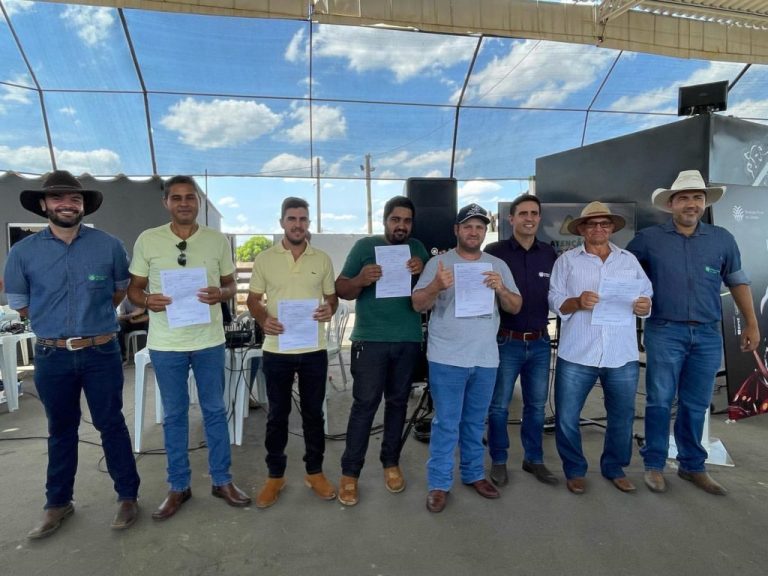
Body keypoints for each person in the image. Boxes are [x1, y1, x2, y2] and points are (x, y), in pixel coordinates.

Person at [3, 170, 141, 538]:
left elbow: (118, 293)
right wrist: (55, 325)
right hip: (52, 356)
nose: (67, 204)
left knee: (111, 424)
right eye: (59, 199)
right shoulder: (22, 252)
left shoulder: (108, 245)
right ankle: (58, 503)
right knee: (59, 430)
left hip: (101, 352)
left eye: (74, 199)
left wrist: (90, 323)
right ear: (44, 205)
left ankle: (127, 496)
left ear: (83, 205)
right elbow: (20, 303)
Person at [626, 170, 759, 495]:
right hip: (664, 330)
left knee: (696, 403)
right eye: (684, 198)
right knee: (659, 400)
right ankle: (654, 465)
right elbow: (623, 273)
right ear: (671, 204)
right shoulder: (648, 238)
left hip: (707, 334)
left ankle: (692, 466)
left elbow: (737, 281)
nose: (691, 204)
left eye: (697, 198)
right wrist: (634, 303)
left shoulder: (722, 238)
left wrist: (752, 323)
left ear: (704, 203)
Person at [127, 175, 251, 521]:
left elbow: (230, 285)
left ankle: (222, 480)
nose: (184, 203)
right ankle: (178, 485)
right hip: (167, 344)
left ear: (198, 203)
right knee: (175, 414)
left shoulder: (216, 241)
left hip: (209, 341)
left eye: (191, 197)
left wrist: (221, 294)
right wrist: (149, 300)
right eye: (177, 197)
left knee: (214, 410)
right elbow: (134, 290)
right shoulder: (148, 240)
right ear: (166, 202)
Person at [412, 203, 522, 513]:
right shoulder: (439, 263)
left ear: (485, 231)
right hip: (447, 357)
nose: (474, 232)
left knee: (475, 422)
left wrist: (501, 290)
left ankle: (474, 474)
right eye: (468, 226)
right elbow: (418, 304)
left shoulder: (497, 265)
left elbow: (515, 306)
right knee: (447, 423)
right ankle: (439, 483)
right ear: (457, 230)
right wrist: (436, 285)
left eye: (479, 227)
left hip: (485, 358)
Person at [548, 201, 652, 495]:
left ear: (611, 228)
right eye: (591, 224)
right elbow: (555, 300)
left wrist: (645, 306)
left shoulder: (629, 261)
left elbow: (646, 297)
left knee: (622, 415)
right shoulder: (566, 261)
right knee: (568, 416)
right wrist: (577, 302)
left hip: (621, 353)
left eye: (604, 224)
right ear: (581, 229)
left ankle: (615, 468)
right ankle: (574, 469)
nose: (598, 229)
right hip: (577, 352)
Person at [335, 195, 429, 506]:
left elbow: (428, 291)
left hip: (407, 340)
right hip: (370, 341)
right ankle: (350, 473)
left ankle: (391, 463)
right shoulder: (365, 247)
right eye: (395, 219)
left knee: (398, 403)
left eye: (406, 221)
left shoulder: (417, 249)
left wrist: (422, 269)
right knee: (364, 406)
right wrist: (361, 279)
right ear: (385, 220)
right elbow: (341, 288)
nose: (401, 225)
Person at [247, 197, 338, 508]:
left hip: (313, 348)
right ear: (282, 222)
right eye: (292, 219)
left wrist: (329, 309)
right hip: (277, 349)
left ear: (308, 223)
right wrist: (263, 319)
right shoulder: (265, 259)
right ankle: (276, 476)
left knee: (314, 414)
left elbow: (332, 297)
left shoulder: (322, 259)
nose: (298, 224)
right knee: (277, 415)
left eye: (303, 219)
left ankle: (315, 472)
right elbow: (252, 299)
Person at [484, 194, 559, 487]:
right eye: (523, 213)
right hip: (506, 341)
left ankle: (534, 459)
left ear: (539, 218)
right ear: (511, 219)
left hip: (540, 342)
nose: (529, 218)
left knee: (536, 406)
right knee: (499, 406)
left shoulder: (549, 254)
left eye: (534, 213)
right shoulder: (494, 252)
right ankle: (499, 460)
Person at [117, 297, 148, 361]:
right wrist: (133, 314)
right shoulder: (125, 301)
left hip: (143, 322)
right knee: (119, 326)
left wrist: (134, 320)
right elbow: (120, 317)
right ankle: (123, 355)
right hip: (130, 323)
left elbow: (148, 316)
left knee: (150, 324)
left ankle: (150, 352)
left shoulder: (144, 298)